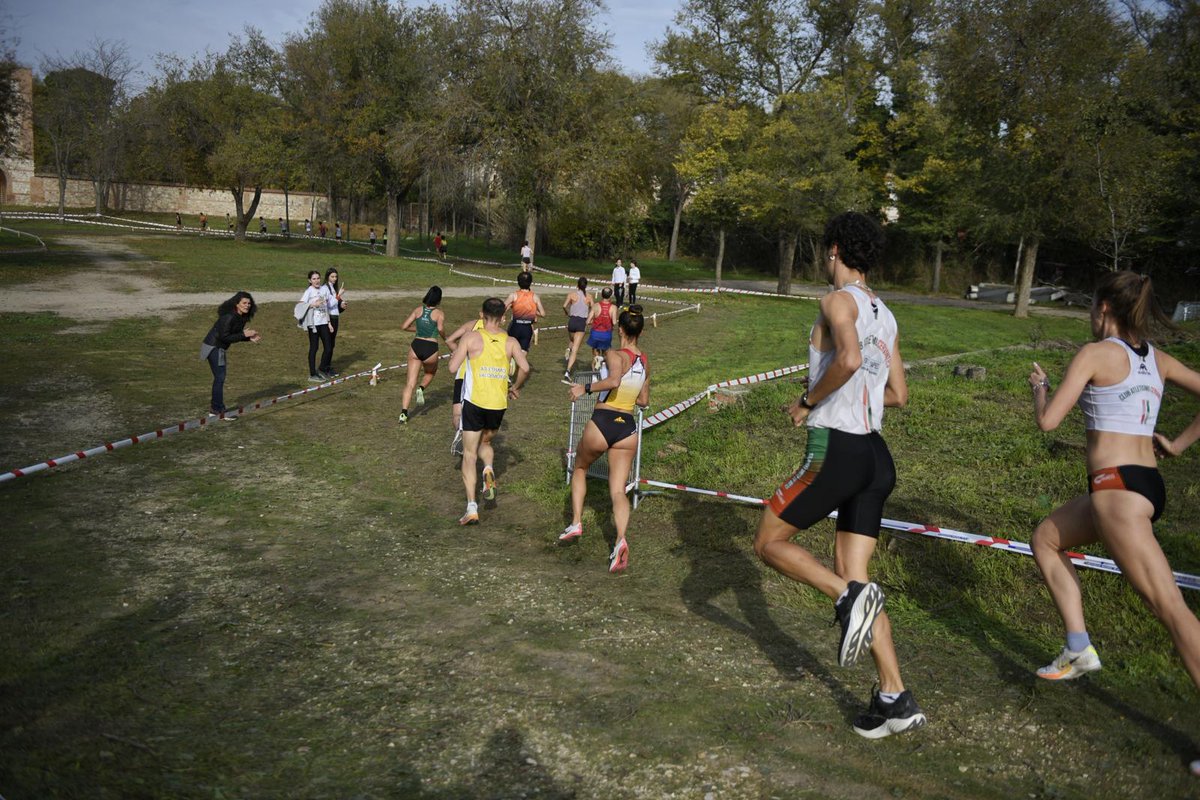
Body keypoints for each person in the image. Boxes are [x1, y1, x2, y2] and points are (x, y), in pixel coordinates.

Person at [753, 211, 925, 740]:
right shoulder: (886, 314)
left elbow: (847, 360)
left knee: (769, 541)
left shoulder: (836, 301)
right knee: (859, 574)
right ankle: (894, 697)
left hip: (837, 449)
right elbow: (898, 394)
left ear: (833, 251)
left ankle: (845, 599)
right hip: (876, 456)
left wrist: (808, 400)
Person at [1027, 271, 1200, 774]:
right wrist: (1178, 444)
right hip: (1141, 487)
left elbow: (1048, 422)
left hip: (1116, 493)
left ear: (1104, 307)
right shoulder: (1156, 359)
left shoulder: (1095, 353)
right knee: (1046, 538)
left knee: (1173, 610)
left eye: (1090, 307)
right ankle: (1078, 647)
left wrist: (1040, 388)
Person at [563, 305, 651, 572]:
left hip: (603, 421)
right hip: (627, 427)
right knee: (617, 490)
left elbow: (613, 381)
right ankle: (621, 541)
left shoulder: (615, 354)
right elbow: (644, 400)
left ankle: (576, 521)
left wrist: (585, 387)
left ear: (620, 329)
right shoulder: (645, 360)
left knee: (580, 467)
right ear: (640, 331)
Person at [448, 298, 530, 525]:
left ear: (481, 314)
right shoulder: (511, 341)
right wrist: (515, 387)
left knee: (469, 453)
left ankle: (472, 507)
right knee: (486, 444)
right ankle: (489, 470)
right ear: (504, 317)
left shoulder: (471, 337)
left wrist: (465, 354)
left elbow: (452, 367)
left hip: (474, 402)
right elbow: (525, 367)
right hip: (497, 405)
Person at [199, 292, 260, 420]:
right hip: (214, 348)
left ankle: (215, 409)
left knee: (219, 378)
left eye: (249, 303)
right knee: (220, 378)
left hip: (219, 348)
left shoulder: (240, 317)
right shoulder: (229, 317)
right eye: (244, 303)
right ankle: (217, 410)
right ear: (236, 304)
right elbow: (225, 337)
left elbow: (234, 336)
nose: (247, 305)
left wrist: (248, 338)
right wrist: (244, 335)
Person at [398, 286, 447, 424]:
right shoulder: (439, 313)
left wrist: (418, 329)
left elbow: (404, 326)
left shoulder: (418, 310)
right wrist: (445, 338)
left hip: (416, 346)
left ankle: (403, 413)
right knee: (430, 373)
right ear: (439, 299)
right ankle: (421, 388)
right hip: (430, 347)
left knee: (409, 383)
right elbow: (440, 328)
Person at [446, 313, 487, 453]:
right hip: (481, 375)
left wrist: (459, 352)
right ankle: (470, 439)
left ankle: (459, 431)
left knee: (457, 411)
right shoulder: (497, 332)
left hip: (462, 374)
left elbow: (449, 340)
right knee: (478, 410)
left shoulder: (471, 325)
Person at [299, 270, 334, 382]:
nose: (316, 280)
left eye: (318, 278)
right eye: (314, 279)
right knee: (314, 348)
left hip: (324, 323)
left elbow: (327, 306)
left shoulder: (324, 289)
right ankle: (313, 374)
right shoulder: (309, 291)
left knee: (328, 347)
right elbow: (300, 305)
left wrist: (329, 323)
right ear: (310, 280)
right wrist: (313, 304)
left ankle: (322, 369)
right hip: (313, 324)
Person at [504, 271, 546, 355]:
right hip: (527, 328)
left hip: (515, 326)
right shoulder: (535, 296)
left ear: (518, 282)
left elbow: (502, 307)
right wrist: (533, 310)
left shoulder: (513, 295)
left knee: (510, 350)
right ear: (530, 283)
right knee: (523, 352)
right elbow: (543, 314)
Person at [562, 276, 593, 382]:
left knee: (572, 340)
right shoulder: (589, 296)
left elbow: (564, 305)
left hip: (572, 321)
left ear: (577, 285)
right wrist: (590, 318)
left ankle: (568, 349)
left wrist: (567, 313)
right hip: (581, 322)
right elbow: (593, 309)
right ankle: (568, 372)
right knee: (575, 348)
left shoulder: (572, 294)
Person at [586, 288, 617, 372]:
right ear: (610, 296)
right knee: (605, 353)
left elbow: (588, 321)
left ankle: (595, 373)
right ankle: (603, 369)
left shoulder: (595, 305)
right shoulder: (613, 307)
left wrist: (592, 321)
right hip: (606, 334)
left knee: (595, 353)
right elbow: (614, 322)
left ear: (601, 294)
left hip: (595, 333)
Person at [322, 268, 345, 376]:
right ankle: (324, 368)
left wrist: (341, 305)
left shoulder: (332, 288)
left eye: (336, 276)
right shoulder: (325, 288)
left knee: (332, 344)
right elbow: (329, 305)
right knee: (329, 345)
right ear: (327, 277)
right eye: (332, 276)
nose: (335, 279)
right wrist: (339, 295)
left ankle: (327, 366)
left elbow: (335, 305)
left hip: (335, 317)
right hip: (329, 318)